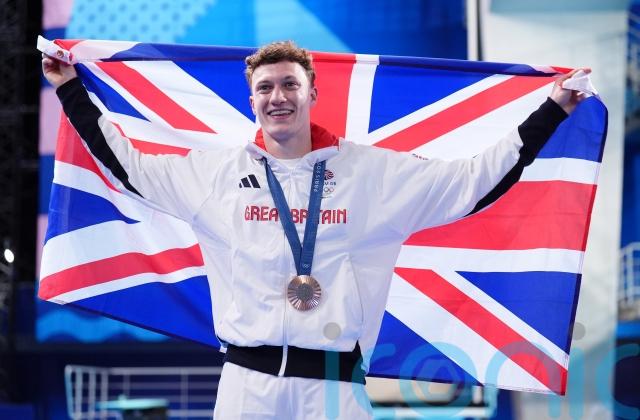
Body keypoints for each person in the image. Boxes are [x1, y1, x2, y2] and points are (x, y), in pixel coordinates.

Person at [42, 40, 588, 419]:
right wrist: (68, 87)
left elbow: (472, 181)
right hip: (246, 387)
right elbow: (129, 166)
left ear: (312, 94)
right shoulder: (215, 176)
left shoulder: (370, 175)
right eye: (265, 88)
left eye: (289, 84)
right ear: (251, 100)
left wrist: (553, 108)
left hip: (334, 391)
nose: (277, 96)